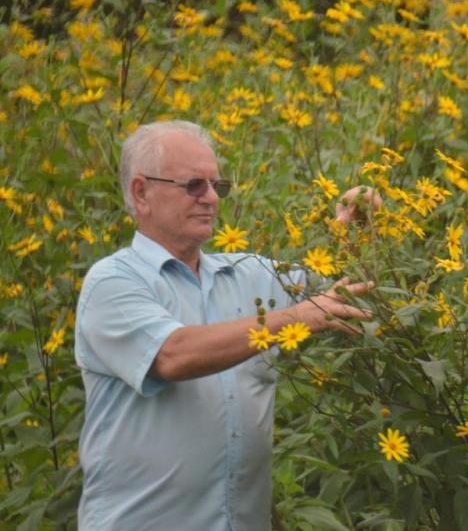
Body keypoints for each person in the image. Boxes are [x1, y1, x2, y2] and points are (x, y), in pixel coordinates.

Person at [74, 120, 379, 530]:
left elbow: (346, 292)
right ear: (141, 192)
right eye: (194, 185)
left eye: (218, 185)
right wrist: (297, 317)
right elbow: (172, 355)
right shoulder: (113, 282)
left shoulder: (250, 273)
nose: (211, 198)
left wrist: (360, 227)